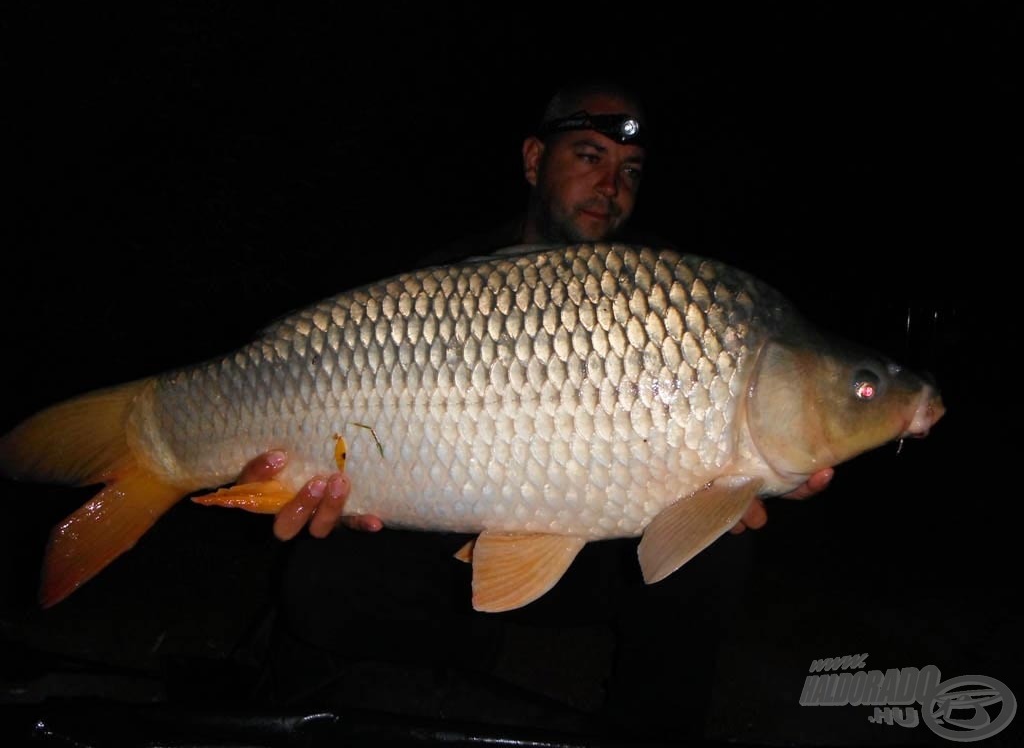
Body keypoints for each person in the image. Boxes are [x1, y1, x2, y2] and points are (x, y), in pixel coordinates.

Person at [236, 79, 833, 540]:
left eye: (630, 170)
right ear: (532, 160)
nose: (611, 185)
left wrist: (746, 486)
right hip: (440, 545)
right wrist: (332, 497)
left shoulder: (666, 296)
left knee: (721, 554)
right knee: (324, 579)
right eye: (588, 156)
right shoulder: (442, 274)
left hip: (602, 559)